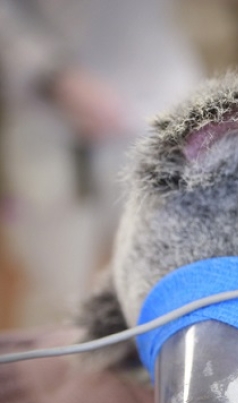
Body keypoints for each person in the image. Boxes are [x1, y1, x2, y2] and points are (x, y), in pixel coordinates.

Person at [0, 0, 204, 327]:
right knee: (61, 300)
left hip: (164, 102)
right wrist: (53, 76)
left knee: (179, 282)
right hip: (54, 125)